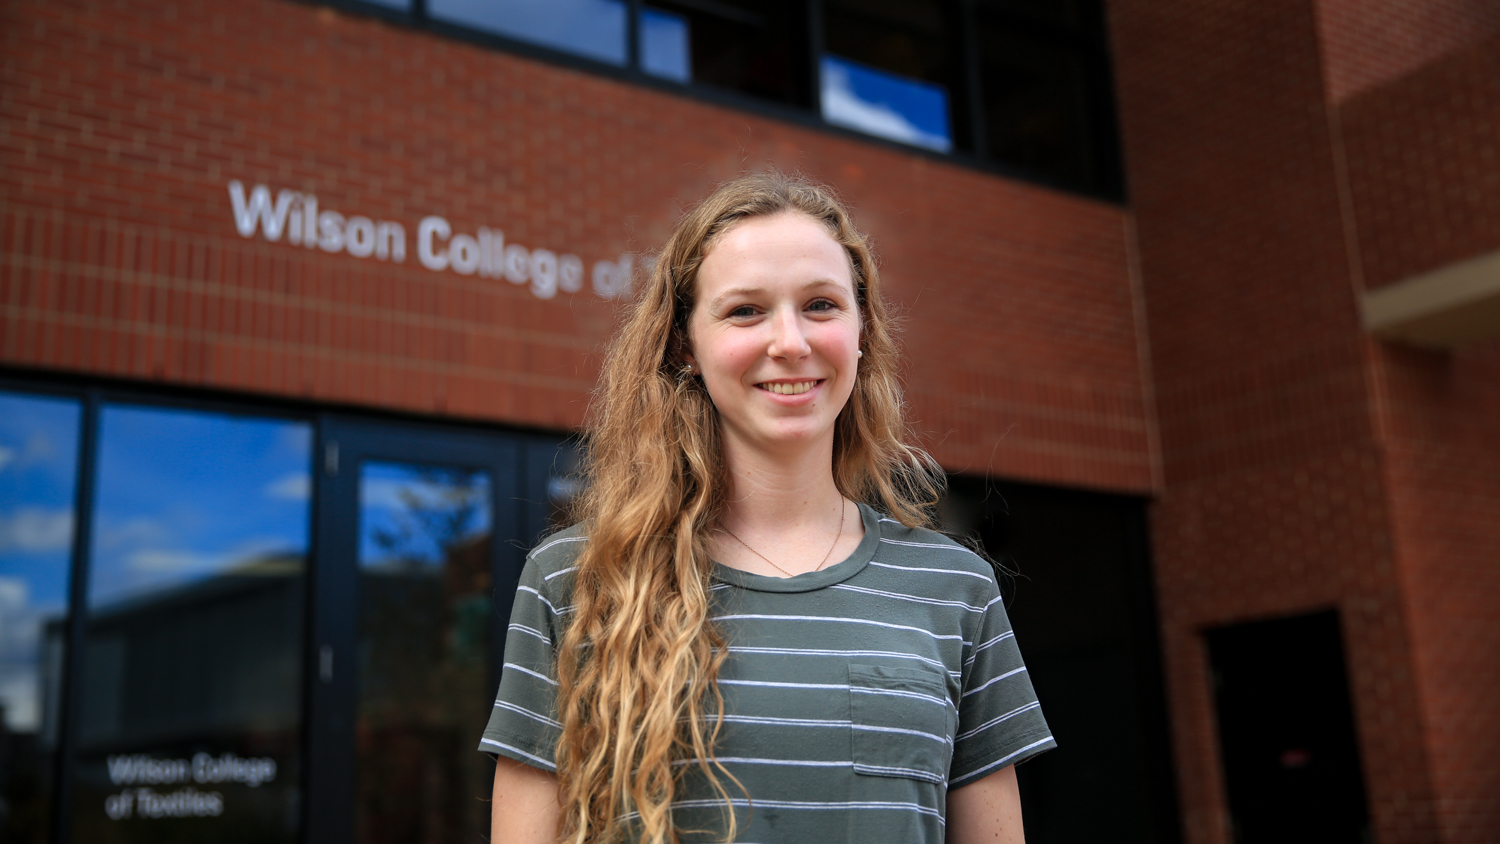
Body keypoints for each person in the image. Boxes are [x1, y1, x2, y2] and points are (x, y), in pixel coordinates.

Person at [479, 173, 1054, 844]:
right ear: (685, 346)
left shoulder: (956, 589)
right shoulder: (577, 578)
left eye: (820, 305)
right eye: (746, 311)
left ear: (861, 331)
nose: (790, 342)